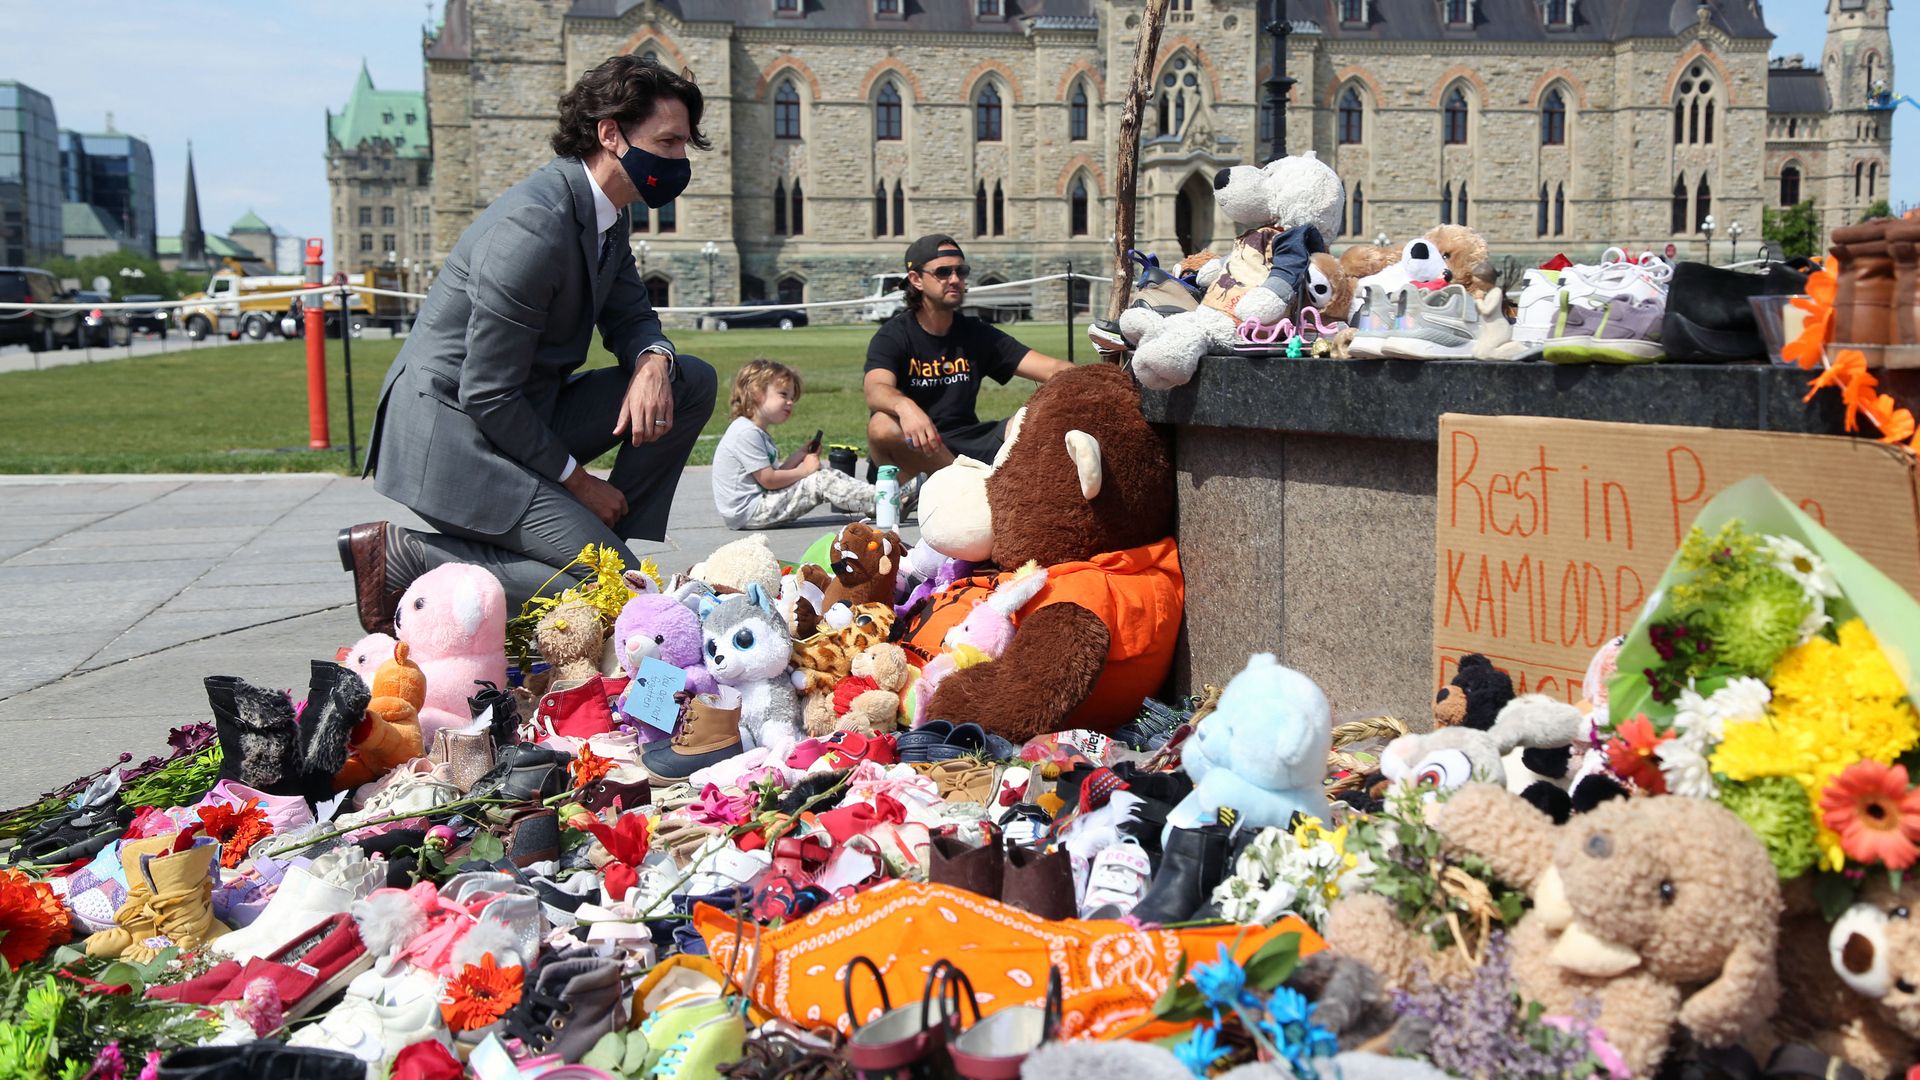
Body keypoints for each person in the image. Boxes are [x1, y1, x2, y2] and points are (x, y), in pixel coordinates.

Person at [337, 54, 718, 633]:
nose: (678, 160)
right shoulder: (532, 229)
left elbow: (631, 313)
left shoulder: (609, 213)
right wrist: (581, 483)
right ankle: (405, 558)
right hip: (454, 439)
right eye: (667, 142)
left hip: (521, 414)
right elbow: (487, 394)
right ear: (610, 134)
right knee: (611, 593)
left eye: (683, 145)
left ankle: (595, 539)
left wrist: (651, 360)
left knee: (689, 379)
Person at [864, 235, 1074, 479]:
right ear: (916, 279)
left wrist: (1095, 383)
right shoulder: (893, 335)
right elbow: (875, 389)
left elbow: (1053, 369)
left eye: (960, 271)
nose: (955, 280)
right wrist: (906, 406)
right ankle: (963, 484)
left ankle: (963, 485)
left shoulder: (975, 333)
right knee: (882, 426)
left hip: (968, 440)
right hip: (915, 446)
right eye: (943, 272)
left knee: (1034, 418)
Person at [712, 359, 877, 530]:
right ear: (756, 393)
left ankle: (875, 500)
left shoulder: (756, 431)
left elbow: (774, 476)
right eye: (783, 395)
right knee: (820, 481)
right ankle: (884, 500)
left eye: (792, 397)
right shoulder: (746, 433)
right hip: (750, 511)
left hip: (757, 506)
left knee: (824, 474)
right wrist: (804, 471)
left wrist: (799, 455)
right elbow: (769, 480)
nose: (790, 402)